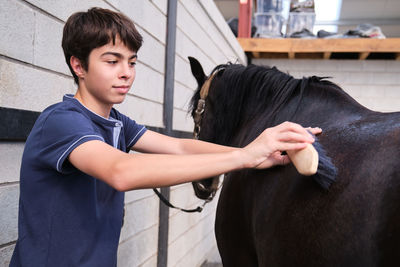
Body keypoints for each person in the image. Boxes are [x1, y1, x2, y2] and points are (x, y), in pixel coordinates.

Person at [10, 7, 321, 267]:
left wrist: (256, 153)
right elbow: (121, 172)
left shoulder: (115, 121)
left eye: (131, 62)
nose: (126, 73)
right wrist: (244, 156)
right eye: (112, 61)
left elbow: (180, 147)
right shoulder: (62, 122)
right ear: (78, 65)